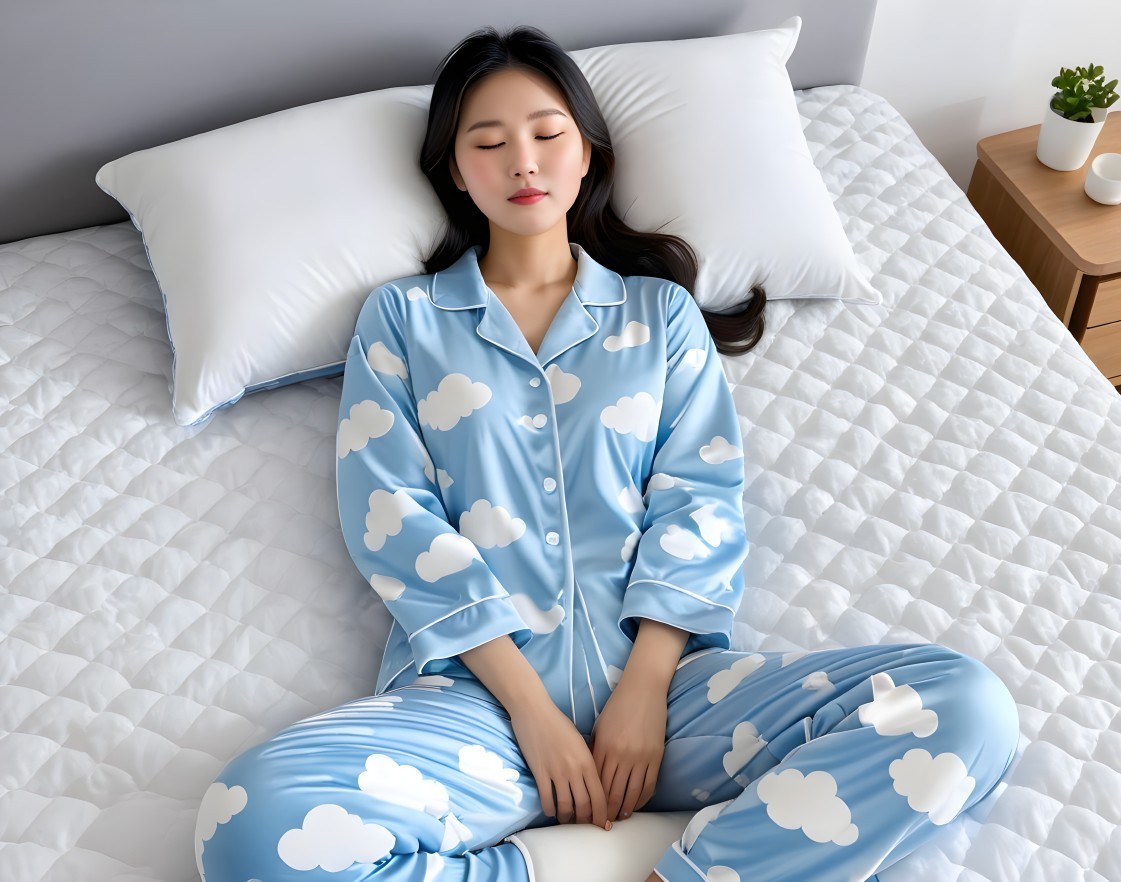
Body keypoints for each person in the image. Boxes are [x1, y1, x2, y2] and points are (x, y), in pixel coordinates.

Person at [195, 24, 1021, 882]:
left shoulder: (658, 317)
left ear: (586, 156)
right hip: (480, 712)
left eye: (547, 135)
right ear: (455, 170)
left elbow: (698, 498)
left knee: (966, 707)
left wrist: (644, 691)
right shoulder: (403, 322)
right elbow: (393, 519)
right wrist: (534, 716)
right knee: (247, 826)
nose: (523, 161)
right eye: (490, 142)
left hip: (677, 706)